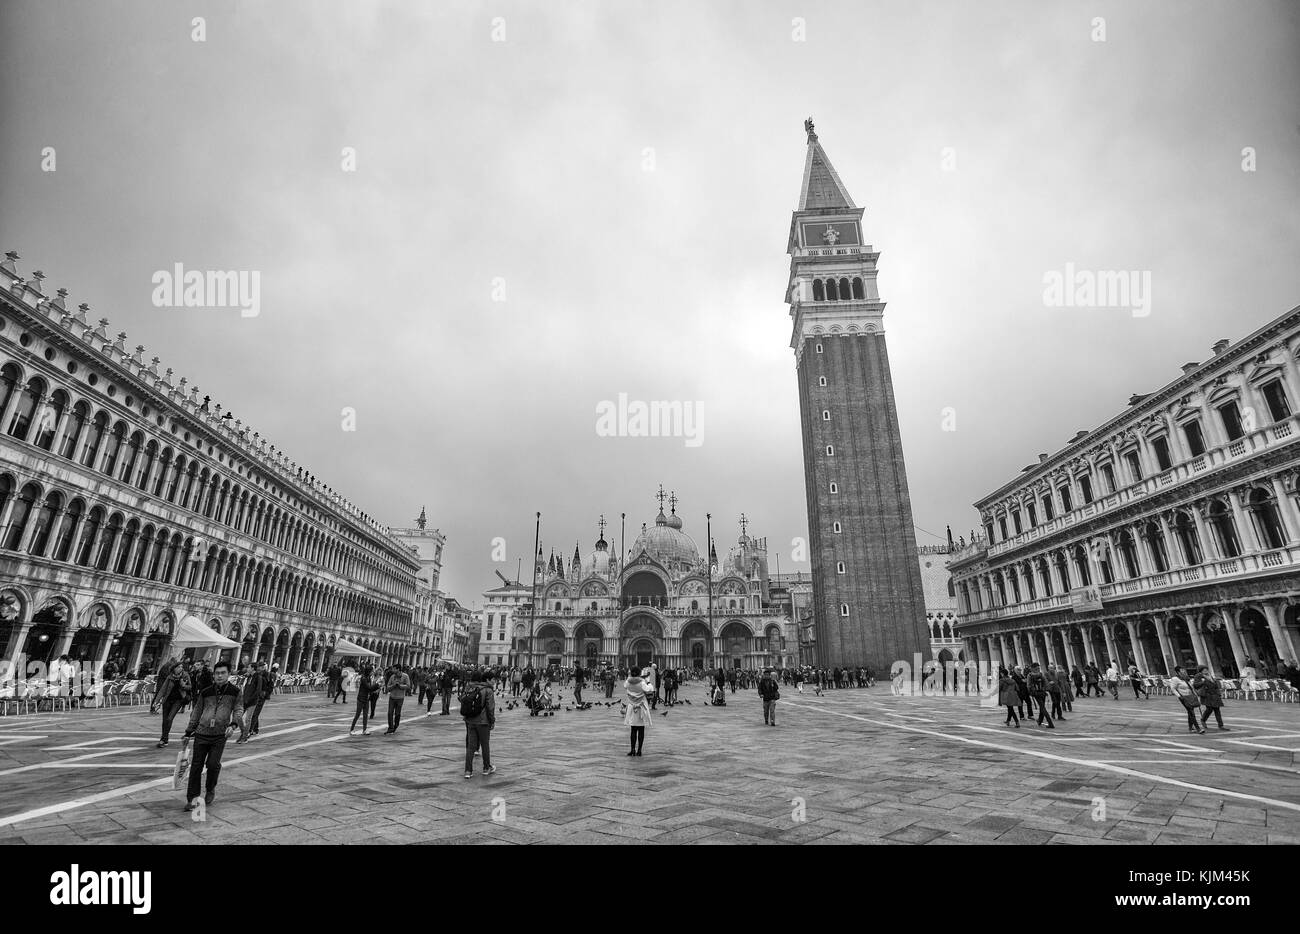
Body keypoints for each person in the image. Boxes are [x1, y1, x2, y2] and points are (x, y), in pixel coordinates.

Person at [182, 660, 243, 810]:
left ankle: (210, 788)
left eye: (223, 673)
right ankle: (192, 799)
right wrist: (188, 732)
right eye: (217, 673)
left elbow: (238, 709)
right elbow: (196, 712)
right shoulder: (206, 691)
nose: (219, 676)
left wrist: (233, 724)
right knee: (196, 766)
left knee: (212, 764)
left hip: (220, 734)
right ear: (213, 675)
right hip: (202, 733)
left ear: (229, 674)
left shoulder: (235, 691)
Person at [462, 669, 496, 778]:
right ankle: (486, 768)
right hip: (483, 722)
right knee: (485, 745)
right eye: (493, 679)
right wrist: (492, 721)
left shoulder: (472, 687)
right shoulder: (488, 690)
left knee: (471, 747)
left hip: (470, 720)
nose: (494, 682)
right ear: (487, 680)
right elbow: (490, 709)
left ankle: (468, 771)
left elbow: (462, 698)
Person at [153, 660, 192, 748]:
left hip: (178, 700)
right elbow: (163, 689)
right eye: (178, 667)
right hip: (167, 700)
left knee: (169, 719)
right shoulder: (170, 677)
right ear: (174, 668)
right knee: (164, 720)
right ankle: (164, 739)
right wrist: (156, 701)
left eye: (182, 667)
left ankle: (164, 739)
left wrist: (183, 685)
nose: (180, 668)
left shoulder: (185, 675)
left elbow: (190, 687)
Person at [241, 660, 274, 741]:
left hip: (261, 697)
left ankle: (250, 730)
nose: (258, 668)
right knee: (254, 713)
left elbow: (270, 686)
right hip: (254, 696)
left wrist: (265, 694)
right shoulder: (256, 674)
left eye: (260, 666)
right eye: (258, 666)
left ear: (263, 667)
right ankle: (255, 729)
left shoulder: (268, 674)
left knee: (255, 713)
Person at [623, 666, 652, 756]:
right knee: (641, 729)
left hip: (632, 707)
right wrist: (649, 682)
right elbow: (648, 690)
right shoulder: (642, 682)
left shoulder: (628, 682)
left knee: (633, 729)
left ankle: (632, 750)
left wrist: (629, 676)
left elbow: (625, 685)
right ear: (640, 673)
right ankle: (639, 750)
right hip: (641, 707)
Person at [1169, 666, 1205, 733]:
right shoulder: (1175, 679)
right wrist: (1179, 696)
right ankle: (1198, 728)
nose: (1184, 671)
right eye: (1182, 670)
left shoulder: (1186, 678)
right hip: (1183, 697)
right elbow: (1173, 689)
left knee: (1190, 712)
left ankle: (1190, 727)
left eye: (1184, 670)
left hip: (1190, 696)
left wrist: (1195, 694)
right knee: (1191, 712)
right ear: (1178, 672)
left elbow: (1191, 687)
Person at [1192, 665, 1228, 730]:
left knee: (1217, 710)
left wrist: (1218, 692)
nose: (1206, 670)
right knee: (1209, 709)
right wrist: (1203, 682)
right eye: (1204, 669)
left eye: (1206, 669)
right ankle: (1203, 719)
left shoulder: (1209, 675)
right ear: (1201, 670)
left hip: (1214, 695)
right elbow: (1195, 685)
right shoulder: (1198, 676)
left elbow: (1215, 684)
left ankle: (1221, 725)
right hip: (1207, 695)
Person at [349, 664, 376, 736]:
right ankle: (351, 729)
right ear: (368, 671)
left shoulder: (369, 678)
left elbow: (370, 689)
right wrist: (377, 685)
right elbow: (368, 687)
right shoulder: (363, 678)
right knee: (357, 715)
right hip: (361, 698)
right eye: (372, 671)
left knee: (365, 715)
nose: (373, 672)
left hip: (366, 699)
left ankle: (364, 730)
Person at [385, 665, 411, 734]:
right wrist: (393, 685)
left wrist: (400, 686)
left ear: (398, 669)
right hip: (392, 697)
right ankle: (390, 728)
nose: (393, 670)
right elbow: (387, 687)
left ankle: (395, 725)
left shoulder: (405, 676)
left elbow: (408, 686)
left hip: (400, 698)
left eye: (394, 669)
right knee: (390, 713)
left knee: (397, 713)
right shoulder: (392, 676)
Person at [1027, 662, 1054, 728]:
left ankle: (1050, 723)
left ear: (1032, 668)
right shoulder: (1041, 674)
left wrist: (1031, 692)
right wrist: (1045, 689)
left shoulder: (1030, 675)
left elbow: (1028, 685)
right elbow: (1046, 683)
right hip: (1042, 692)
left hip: (1036, 693)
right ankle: (1040, 720)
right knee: (1042, 706)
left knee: (1042, 707)